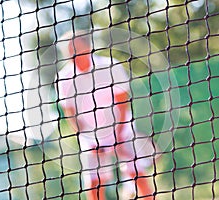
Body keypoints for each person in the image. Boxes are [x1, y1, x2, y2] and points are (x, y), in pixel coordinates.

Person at [55, 31, 158, 200]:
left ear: (88, 48)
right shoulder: (64, 78)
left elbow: (122, 101)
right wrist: (89, 139)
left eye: (75, 49)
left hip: (122, 129)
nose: (71, 54)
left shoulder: (110, 66)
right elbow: (70, 112)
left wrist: (118, 137)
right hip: (90, 137)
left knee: (137, 174)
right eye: (69, 50)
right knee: (94, 184)